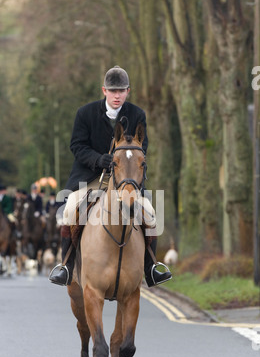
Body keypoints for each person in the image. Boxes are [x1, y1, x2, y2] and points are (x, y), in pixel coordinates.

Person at [50, 66, 172, 287]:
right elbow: (77, 146)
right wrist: (99, 160)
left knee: (151, 213)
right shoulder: (84, 113)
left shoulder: (137, 115)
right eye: (113, 91)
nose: (117, 96)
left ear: (128, 91)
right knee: (69, 210)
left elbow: (140, 148)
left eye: (122, 91)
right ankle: (66, 267)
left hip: (125, 179)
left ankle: (151, 268)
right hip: (90, 177)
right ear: (104, 90)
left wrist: (122, 166)